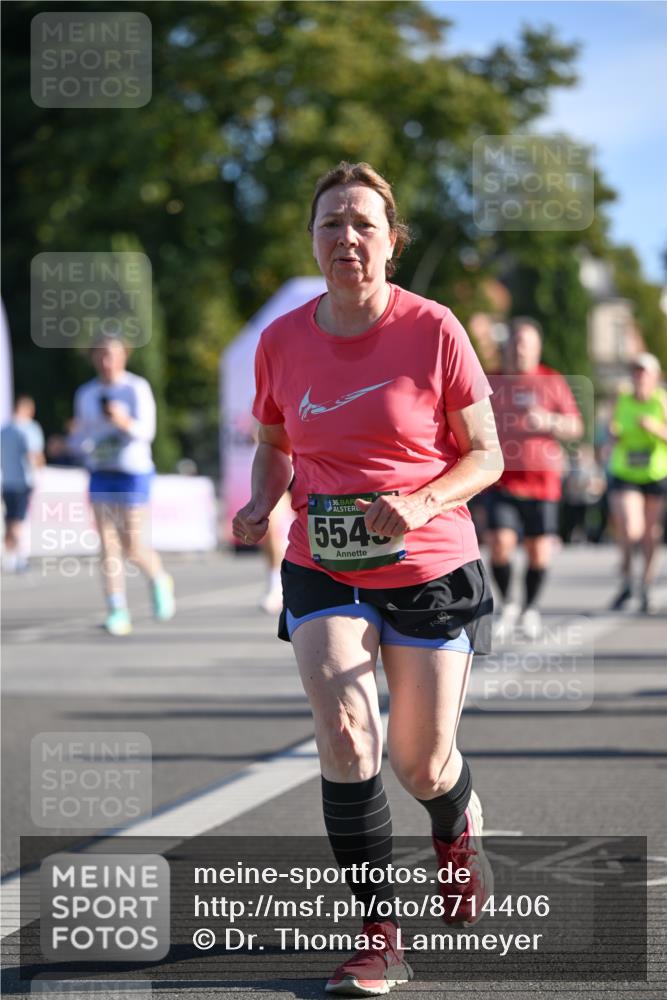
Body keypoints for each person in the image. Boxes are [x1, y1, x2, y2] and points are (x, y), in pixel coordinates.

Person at [233, 162, 503, 996]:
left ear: (391, 241)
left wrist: (420, 502)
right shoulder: (281, 340)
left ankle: (454, 822)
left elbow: (485, 454)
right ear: (312, 239)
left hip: (427, 565)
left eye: (362, 223)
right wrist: (261, 504)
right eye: (330, 223)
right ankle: (379, 936)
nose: (345, 237)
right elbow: (275, 445)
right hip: (322, 563)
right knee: (348, 733)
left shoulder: (434, 329)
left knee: (421, 765)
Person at [69, 335, 175, 635]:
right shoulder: (86, 393)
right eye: (101, 355)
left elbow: (148, 431)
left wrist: (123, 421)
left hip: (132, 472)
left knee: (132, 545)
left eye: (112, 355)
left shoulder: (136, 388)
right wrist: (70, 443)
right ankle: (116, 609)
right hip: (101, 471)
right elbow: (82, 437)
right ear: (93, 358)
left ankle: (159, 578)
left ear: (124, 356)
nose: (106, 361)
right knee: (107, 543)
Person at [486, 318, 583, 640]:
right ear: (507, 346)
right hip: (501, 480)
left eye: (526, 344)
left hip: (542, 481)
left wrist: (549, 421)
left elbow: (575, 426)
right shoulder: (490, 380)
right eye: (515, 343)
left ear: (537, 348)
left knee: (538, 551)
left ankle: (529, 608)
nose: (520, 350)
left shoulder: (551, 380)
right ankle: (508, 605)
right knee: (500, 544)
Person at [606, 352, 667, 614]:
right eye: (636, 372)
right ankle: (628, 578)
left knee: (650, 533)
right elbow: (611, 430)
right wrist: (613, 434)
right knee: (632, 529)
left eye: (644, 372)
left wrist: (655, 428)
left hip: (655, 473)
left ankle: (646, 584)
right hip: (626, 472)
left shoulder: (661, 401)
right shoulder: (622, 399)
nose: (639, 377)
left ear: (655, 376)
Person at [1, 395, 45, 572]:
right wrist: (40, 471)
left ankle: (9, 556)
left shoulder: (4, 430)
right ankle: (20, 557)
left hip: (7, 480)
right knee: (18, 520)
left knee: (10, 519)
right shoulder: (29, 429)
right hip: (23, 480)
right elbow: (34, 454)